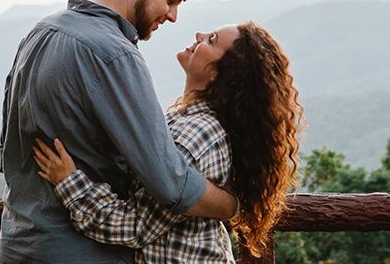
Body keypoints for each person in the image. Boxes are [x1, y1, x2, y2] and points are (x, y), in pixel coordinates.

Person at [0, 0, 238, 264]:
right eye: (170, 0)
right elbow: (170, 182)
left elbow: (6, 147)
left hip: (16, 244)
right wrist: (232, 204)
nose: (172, 16)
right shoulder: (115, 55)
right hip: (81, 251)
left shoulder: (40, 32)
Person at [34, 21, 303, 262]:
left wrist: (69, 182)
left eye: (211, 40)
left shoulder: (194, 135)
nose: (200, 34)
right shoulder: (190, 120)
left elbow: (134, 227)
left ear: (221, 75)